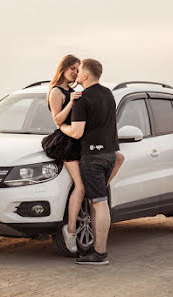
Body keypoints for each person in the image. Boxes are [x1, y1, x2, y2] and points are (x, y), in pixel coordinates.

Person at [60, 58, 120, 265]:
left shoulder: (82, 98)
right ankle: (97, 250)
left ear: (85, 75)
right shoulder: (108, 94)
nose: (76, 75)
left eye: (79, 72)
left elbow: (76, 132)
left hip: (92, 157)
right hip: (110, 154)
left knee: (99, 202)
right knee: (98, 202)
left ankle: (100, 254)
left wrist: (62, 128)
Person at [41, 54, 84, 254]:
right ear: (63, 68)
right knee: (81, 186)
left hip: (79, 139)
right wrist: (71, 102)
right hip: (66, 142)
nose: (75, 72)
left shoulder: (74, 91)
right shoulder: (56, 92)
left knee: (84, 186)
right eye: (72, 68)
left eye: (78, 69)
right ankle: (71, 230)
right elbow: (58, 120)